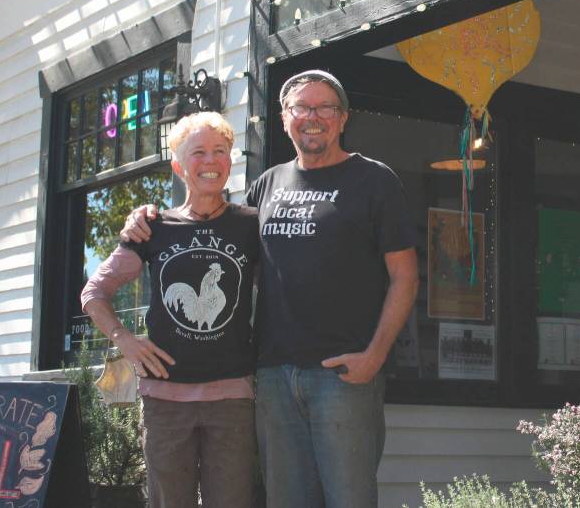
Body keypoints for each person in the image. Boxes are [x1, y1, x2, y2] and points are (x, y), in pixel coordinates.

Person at [122, 70, 419, 508]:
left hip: (343, 374)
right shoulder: (268, 185)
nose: (312, 117)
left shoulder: (374, 180)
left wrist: (374, 356)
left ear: (342, 118)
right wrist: (149, 216)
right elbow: (216, 233)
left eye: (324, 108)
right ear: (285, 119)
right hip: (273, 375)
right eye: (301, 108)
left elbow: (405, 277)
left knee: (349, 500)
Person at [82, 112, 259, 508]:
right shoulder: (153, 228)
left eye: (219, 151)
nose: (210, 161)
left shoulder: (251, 226)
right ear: (179, 166)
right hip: (164, 399)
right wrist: (124, 340)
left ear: (230, 162)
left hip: (231, 397)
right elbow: (95, 292)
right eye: (198, 152)